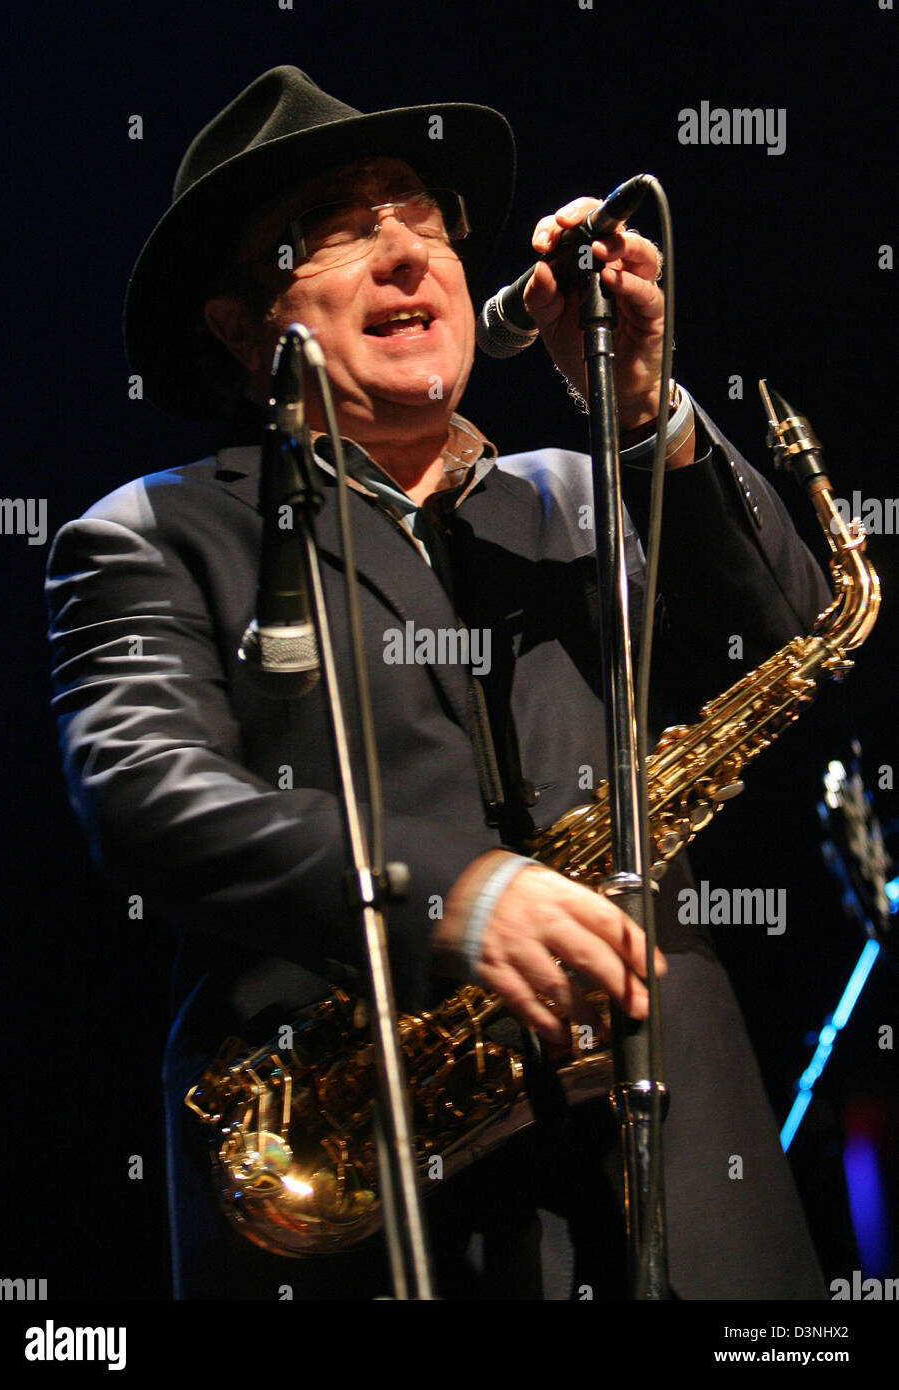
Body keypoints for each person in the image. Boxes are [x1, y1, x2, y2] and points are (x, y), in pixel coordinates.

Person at [46, 66, 831, 1299]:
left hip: (688, 1191)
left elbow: (787, 638)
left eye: (423, 216)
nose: (409, 255)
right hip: (382, 1207)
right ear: (245, 325)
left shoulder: (583, 486)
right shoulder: (150, 533)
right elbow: (145, 797)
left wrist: (637, 411)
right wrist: (445, 897)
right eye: (349, 231)